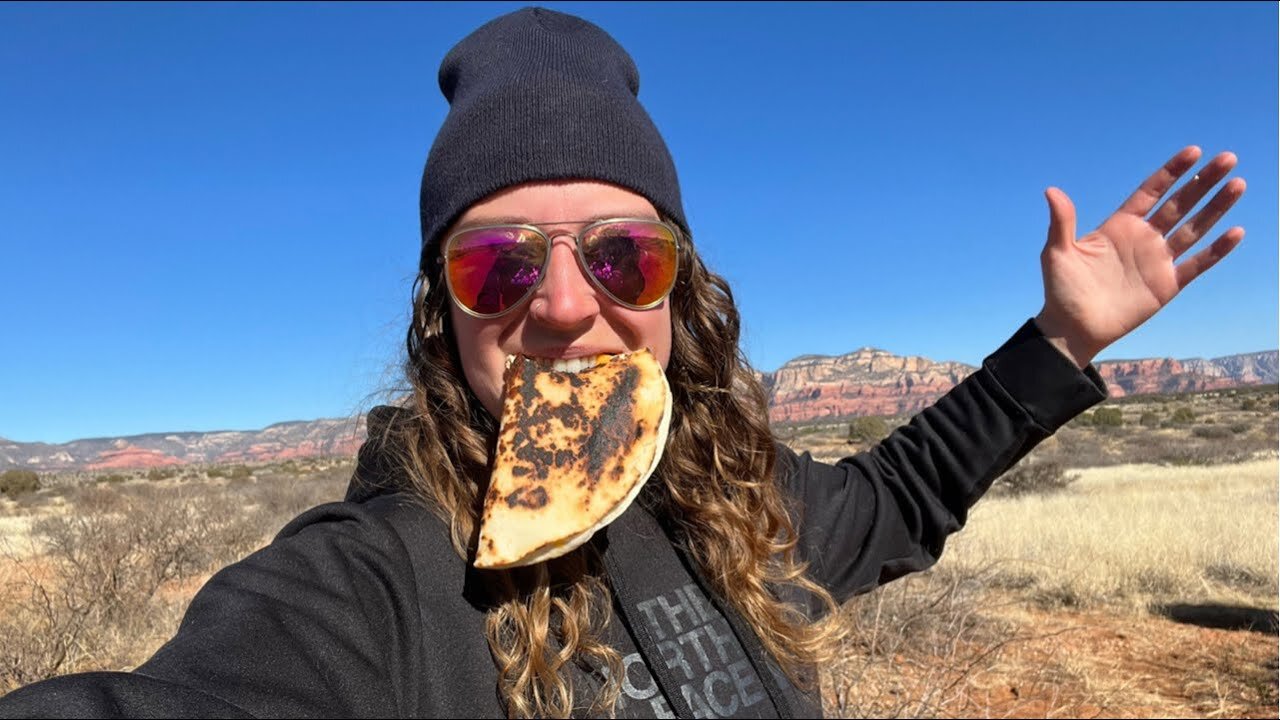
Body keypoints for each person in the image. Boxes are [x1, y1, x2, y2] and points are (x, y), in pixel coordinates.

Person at [0, 7, 1246, 719]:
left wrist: (1063, 344)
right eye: (495, 264)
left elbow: (895, 498)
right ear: (441, 310)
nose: (558, 305)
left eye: (619, 258)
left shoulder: (726, 497)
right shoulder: (375, 583)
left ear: (676, 290)